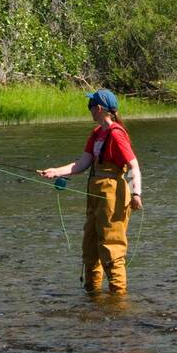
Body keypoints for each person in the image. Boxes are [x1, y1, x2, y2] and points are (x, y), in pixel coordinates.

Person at [37, 90, 142, 295]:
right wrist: (55, 171)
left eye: (91, 106)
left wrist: (136, 193)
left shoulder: (116, 134)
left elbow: (134, 166)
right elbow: (82, 163)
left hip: (113, 194)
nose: (90, 111)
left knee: (111, 248)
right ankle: (93, 297)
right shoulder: (96, 133)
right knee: (91, 247)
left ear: (99, 108)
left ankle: (118, 302)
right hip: (95, 193)